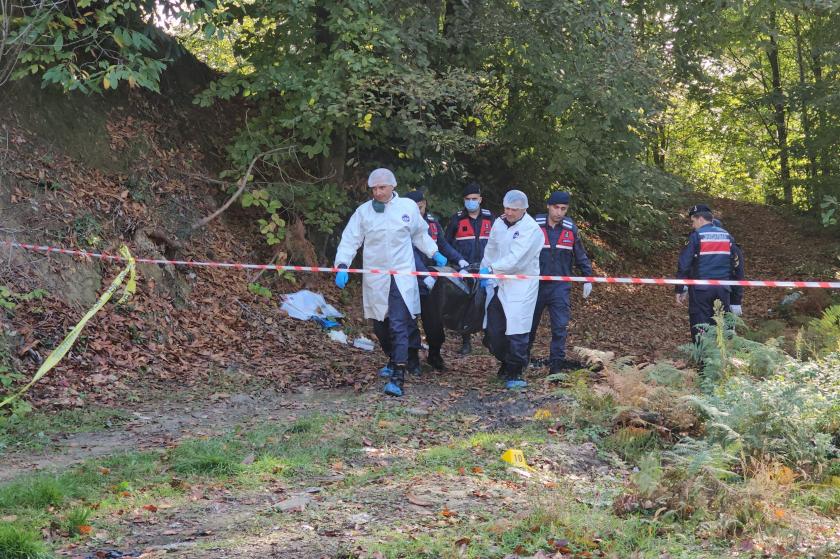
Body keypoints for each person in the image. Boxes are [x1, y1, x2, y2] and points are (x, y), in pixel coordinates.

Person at [334, 169, 448, 397]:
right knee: (380, 326)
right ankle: (393, 357)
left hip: (402, 276)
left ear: (392, 186)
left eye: (381, 188)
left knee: (398, 323)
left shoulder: (407, 208)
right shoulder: (364, 212)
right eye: (374, 189)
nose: (377, 192)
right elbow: (350, 239)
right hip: (376, 277)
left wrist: (434, 252)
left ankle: (398, 375)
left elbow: (420, 234)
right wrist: (342, 265)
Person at [480, 190, 544, 389]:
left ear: (523, 209)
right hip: (500, 283)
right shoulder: (499, 223)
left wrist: (492, 269)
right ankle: (505, 361)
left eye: (514, 210)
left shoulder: (531, 229)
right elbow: (491, 248)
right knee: (493, 329)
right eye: (506, 208)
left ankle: (515, 370)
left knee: (517, 329)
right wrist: (485, 271)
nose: (509, 212)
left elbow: (517, 259)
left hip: (521, 286)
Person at [528, 191, 594, 374]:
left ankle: (555, 370)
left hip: (560, 287)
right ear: (548, 206)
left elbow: (580, 254)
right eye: (556, 207)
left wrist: (587, 277)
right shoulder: (534, 225)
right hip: (536, 285)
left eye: (563, 209)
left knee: (560, 328)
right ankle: (521, 363)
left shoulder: (570, 228)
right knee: (529, 326)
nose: (559, 212)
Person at [403, 190, 466, 372]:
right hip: (410, 279)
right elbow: (410, 253)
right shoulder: (402, 224)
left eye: (421, 207)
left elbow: (442, 244)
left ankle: (435, 354)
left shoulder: (431, 223)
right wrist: (423, 274)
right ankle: (411, 357)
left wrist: (459, 259)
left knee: (434, 321)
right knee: (409, 320)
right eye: (415, 208)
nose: (419, 211)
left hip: (432, 280)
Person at [675, 204, 742, 342]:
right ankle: (720, 359)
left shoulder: (697, 236)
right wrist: (736, 297)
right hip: (723, 289)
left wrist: (680, 288)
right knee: (720, 325)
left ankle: (703, 359)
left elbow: (684, 264)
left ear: (700, 219)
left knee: (700, 325)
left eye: (693, 221)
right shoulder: (727, 236)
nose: (693, 225)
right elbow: (736, 265)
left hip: (701, 290)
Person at [445, 181, 495, 355]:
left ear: (480, 199)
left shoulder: (490, 218)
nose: (471, 202)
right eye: (468, 199)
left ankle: (489, 336)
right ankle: (466, 341)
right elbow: (446, 243)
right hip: (465, 268)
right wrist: (458, 261)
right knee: (465, 305)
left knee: (489, 302)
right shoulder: (457, 219)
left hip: (486, 268)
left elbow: (500, 241)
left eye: (474, 198)